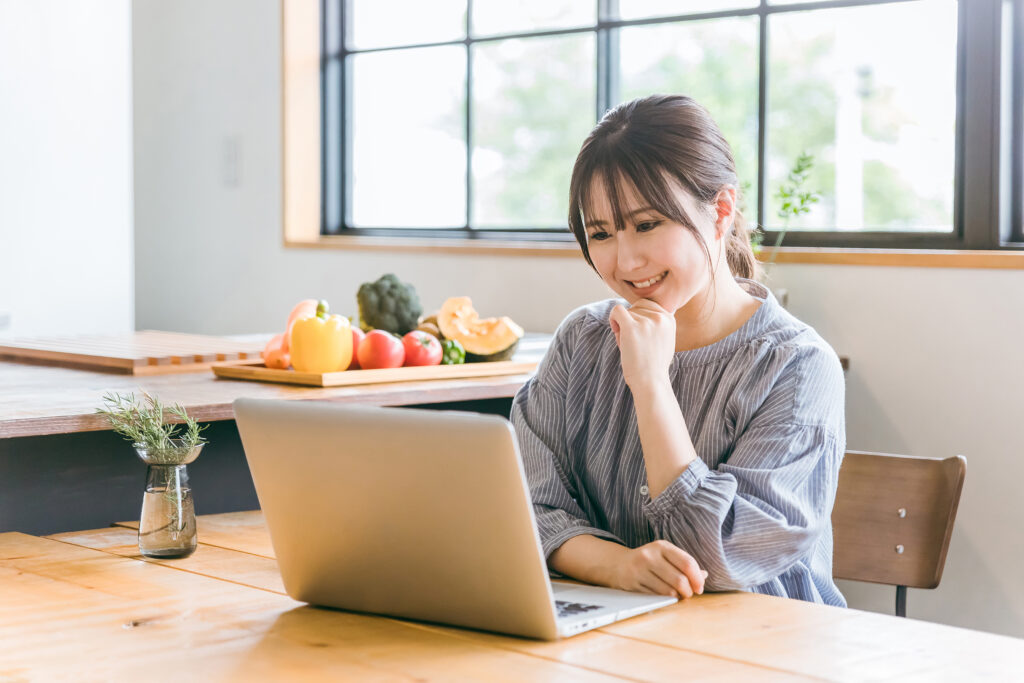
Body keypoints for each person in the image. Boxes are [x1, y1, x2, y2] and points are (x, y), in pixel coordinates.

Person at [511, 94, 846, 606]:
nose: (625, 260)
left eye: (647, 225)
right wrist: (616, 566)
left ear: (722, 211)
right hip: (614, 636)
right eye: (600, 233)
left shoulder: (797, 366)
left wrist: (650, 386)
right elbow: (522, 504)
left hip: (763, 645)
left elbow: (715, 557)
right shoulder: (582, 341)